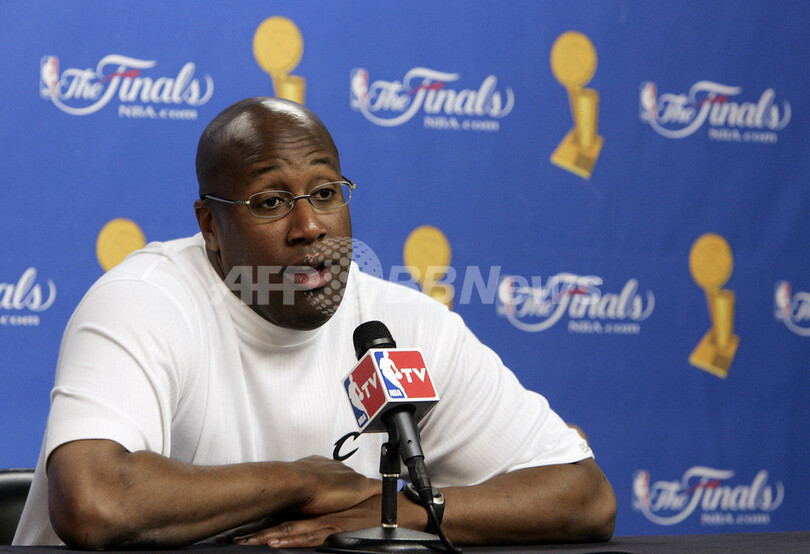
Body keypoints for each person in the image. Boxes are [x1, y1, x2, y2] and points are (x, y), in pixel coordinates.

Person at [13, 97, 616, 549]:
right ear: (210, 226)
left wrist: (398, 513)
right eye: (271, 202)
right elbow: (96, 501)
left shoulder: (402, 324)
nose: (309, 227)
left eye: (325, 192)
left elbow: (584, 496)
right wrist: (303, 483)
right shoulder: (145, 300)